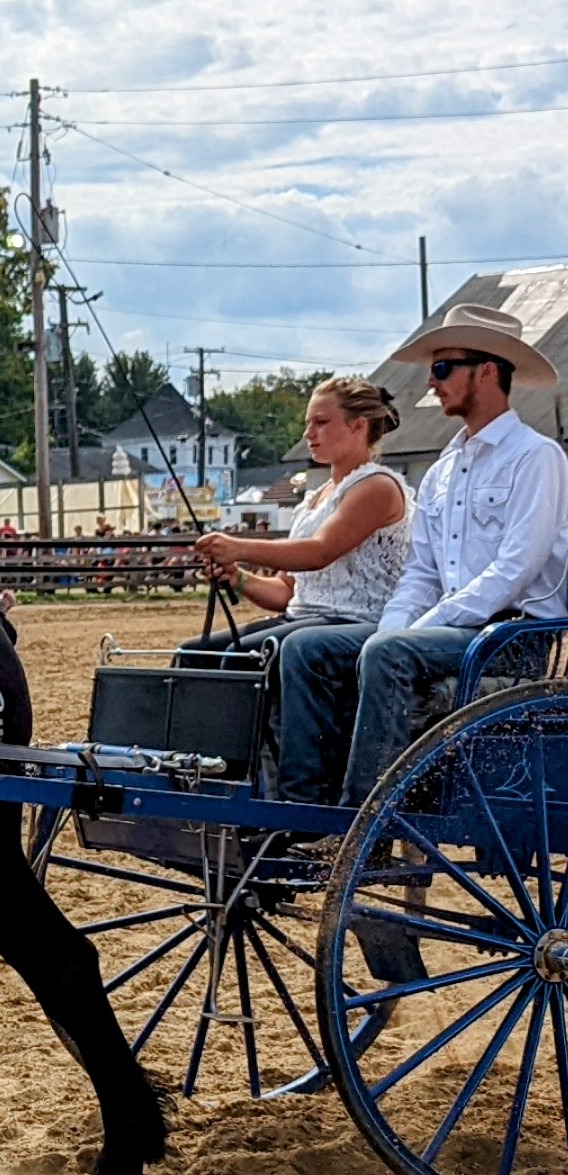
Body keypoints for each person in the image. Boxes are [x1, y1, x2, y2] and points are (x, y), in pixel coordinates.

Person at [278, 304, 568, 810]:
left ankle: (361, 817)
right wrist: (395, 626)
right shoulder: (442, 471)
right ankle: (301, 809)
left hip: (511, 638)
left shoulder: (537, 457)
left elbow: (514, 570)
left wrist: (411, 633)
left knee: (388, 654)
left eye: (441, 369)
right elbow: (422, 572)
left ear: (486, 371)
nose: (431, 384)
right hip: (450, 633)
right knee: (306, 649)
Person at [180, 377, 413, 669]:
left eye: (321, 422)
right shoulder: (315, 498)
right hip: (303, 619)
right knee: (192, 654)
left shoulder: (376, 486)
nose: (308, 433)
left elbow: (318, 552)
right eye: (308, 423)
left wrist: (237, 547)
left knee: (240, 660)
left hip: (353, 622)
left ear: (359, 425)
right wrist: (237, 577)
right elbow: (286, 590)